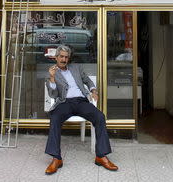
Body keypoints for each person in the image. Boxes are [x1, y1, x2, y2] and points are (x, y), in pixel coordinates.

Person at [44, 45, 118, 175]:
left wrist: (93, 90)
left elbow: (87, 80)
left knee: (100, 117)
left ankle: (101, 156)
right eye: (61, 56)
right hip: (64, 102)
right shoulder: (52, 72)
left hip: (81, 101)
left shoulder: (76, 68)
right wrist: (52, 78)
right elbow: (53, 94)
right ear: (56, 57)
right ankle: (56, 159)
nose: (64, 59)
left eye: (66, 57)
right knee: (54, 118)